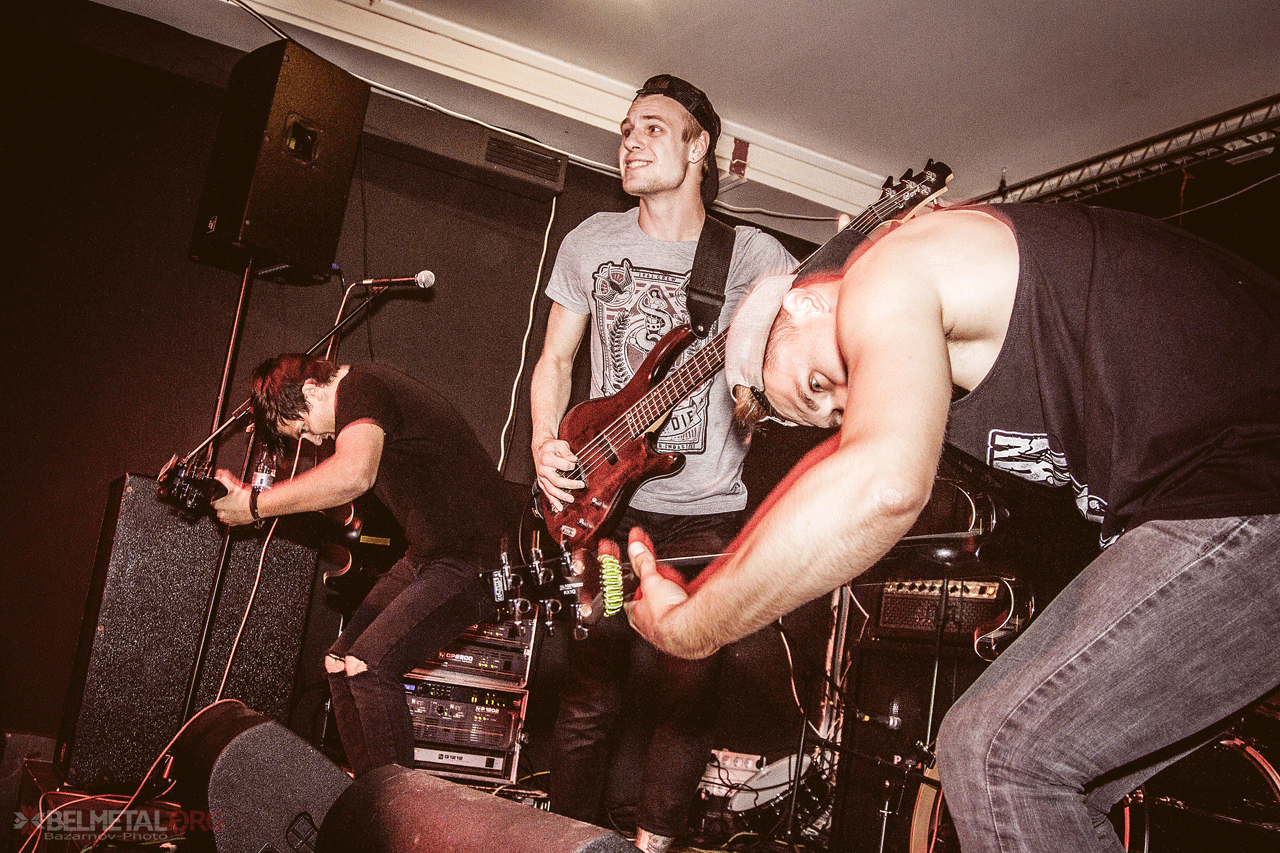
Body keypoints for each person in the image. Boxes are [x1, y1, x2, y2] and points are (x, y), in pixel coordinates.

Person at [623, 201, 1280, 852]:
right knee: (1038, 777)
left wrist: (691, 628)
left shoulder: (888, 269)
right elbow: (845, 474)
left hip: (1249, 486)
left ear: (806, 301)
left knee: (996, 754)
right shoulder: (945, 364)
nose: (843, 403)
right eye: (827, 413)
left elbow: (880, 485)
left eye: (818, 382)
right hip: (1223, 501)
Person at [530, 74, 796, 851]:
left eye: (653, 127)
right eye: (626, 129)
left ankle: (653, 845)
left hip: (701, 520)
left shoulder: (753, 255)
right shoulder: (591, 240)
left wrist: (761, 392)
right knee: (591, 689)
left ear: (698, 145)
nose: (632, 140)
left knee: (688, 686)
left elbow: (794, 353)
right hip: (607, 514)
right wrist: (545, 441)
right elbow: (556, 359)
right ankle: (567, 842)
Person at [212, 355, 510, 777]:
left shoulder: (362, 386)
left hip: (476, 555)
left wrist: (257, 505)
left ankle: (398, 810)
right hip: (430, 555)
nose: (314, 441)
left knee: (369, 666)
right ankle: (368, 797)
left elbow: (354, 474)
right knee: (339, 663)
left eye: (303, 428)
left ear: (312, 390)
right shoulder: (360, 398)